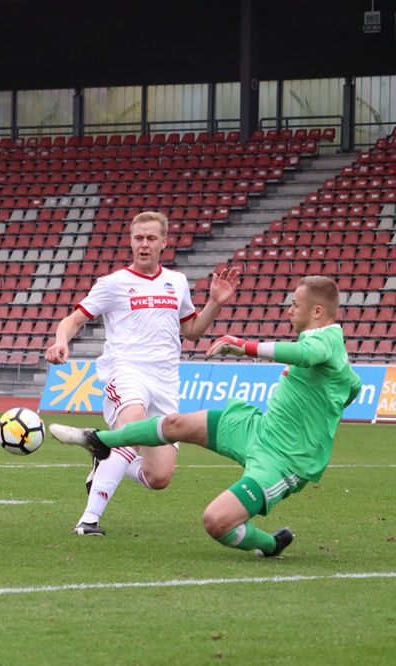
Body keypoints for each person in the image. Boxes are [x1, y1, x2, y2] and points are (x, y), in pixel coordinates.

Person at [49, 276, 361, 558]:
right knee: (175, 424)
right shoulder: (331, 348)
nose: (289, 310)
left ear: (317, 312)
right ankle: (98, 440)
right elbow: (353, 387)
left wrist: (243, 347)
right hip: (257, 429)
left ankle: (270, 544)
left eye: (295, 304)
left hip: (284, 460)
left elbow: (304, 356)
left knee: (216, 522)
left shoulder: (325, 341)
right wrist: (328, 406)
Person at [45, 211, 240, 537]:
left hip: (165, 381)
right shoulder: (112, 283)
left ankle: (104, 456)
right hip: (126, 370)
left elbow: (192, 332)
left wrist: (216, 304)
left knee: (159, 477)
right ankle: (88, 520)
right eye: (138, 238)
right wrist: (60, 341)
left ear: (164, 242)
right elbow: (73, 319)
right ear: (131, 241)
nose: (144, 244)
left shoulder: (176, 281)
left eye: (151, 238)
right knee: (134, 429)